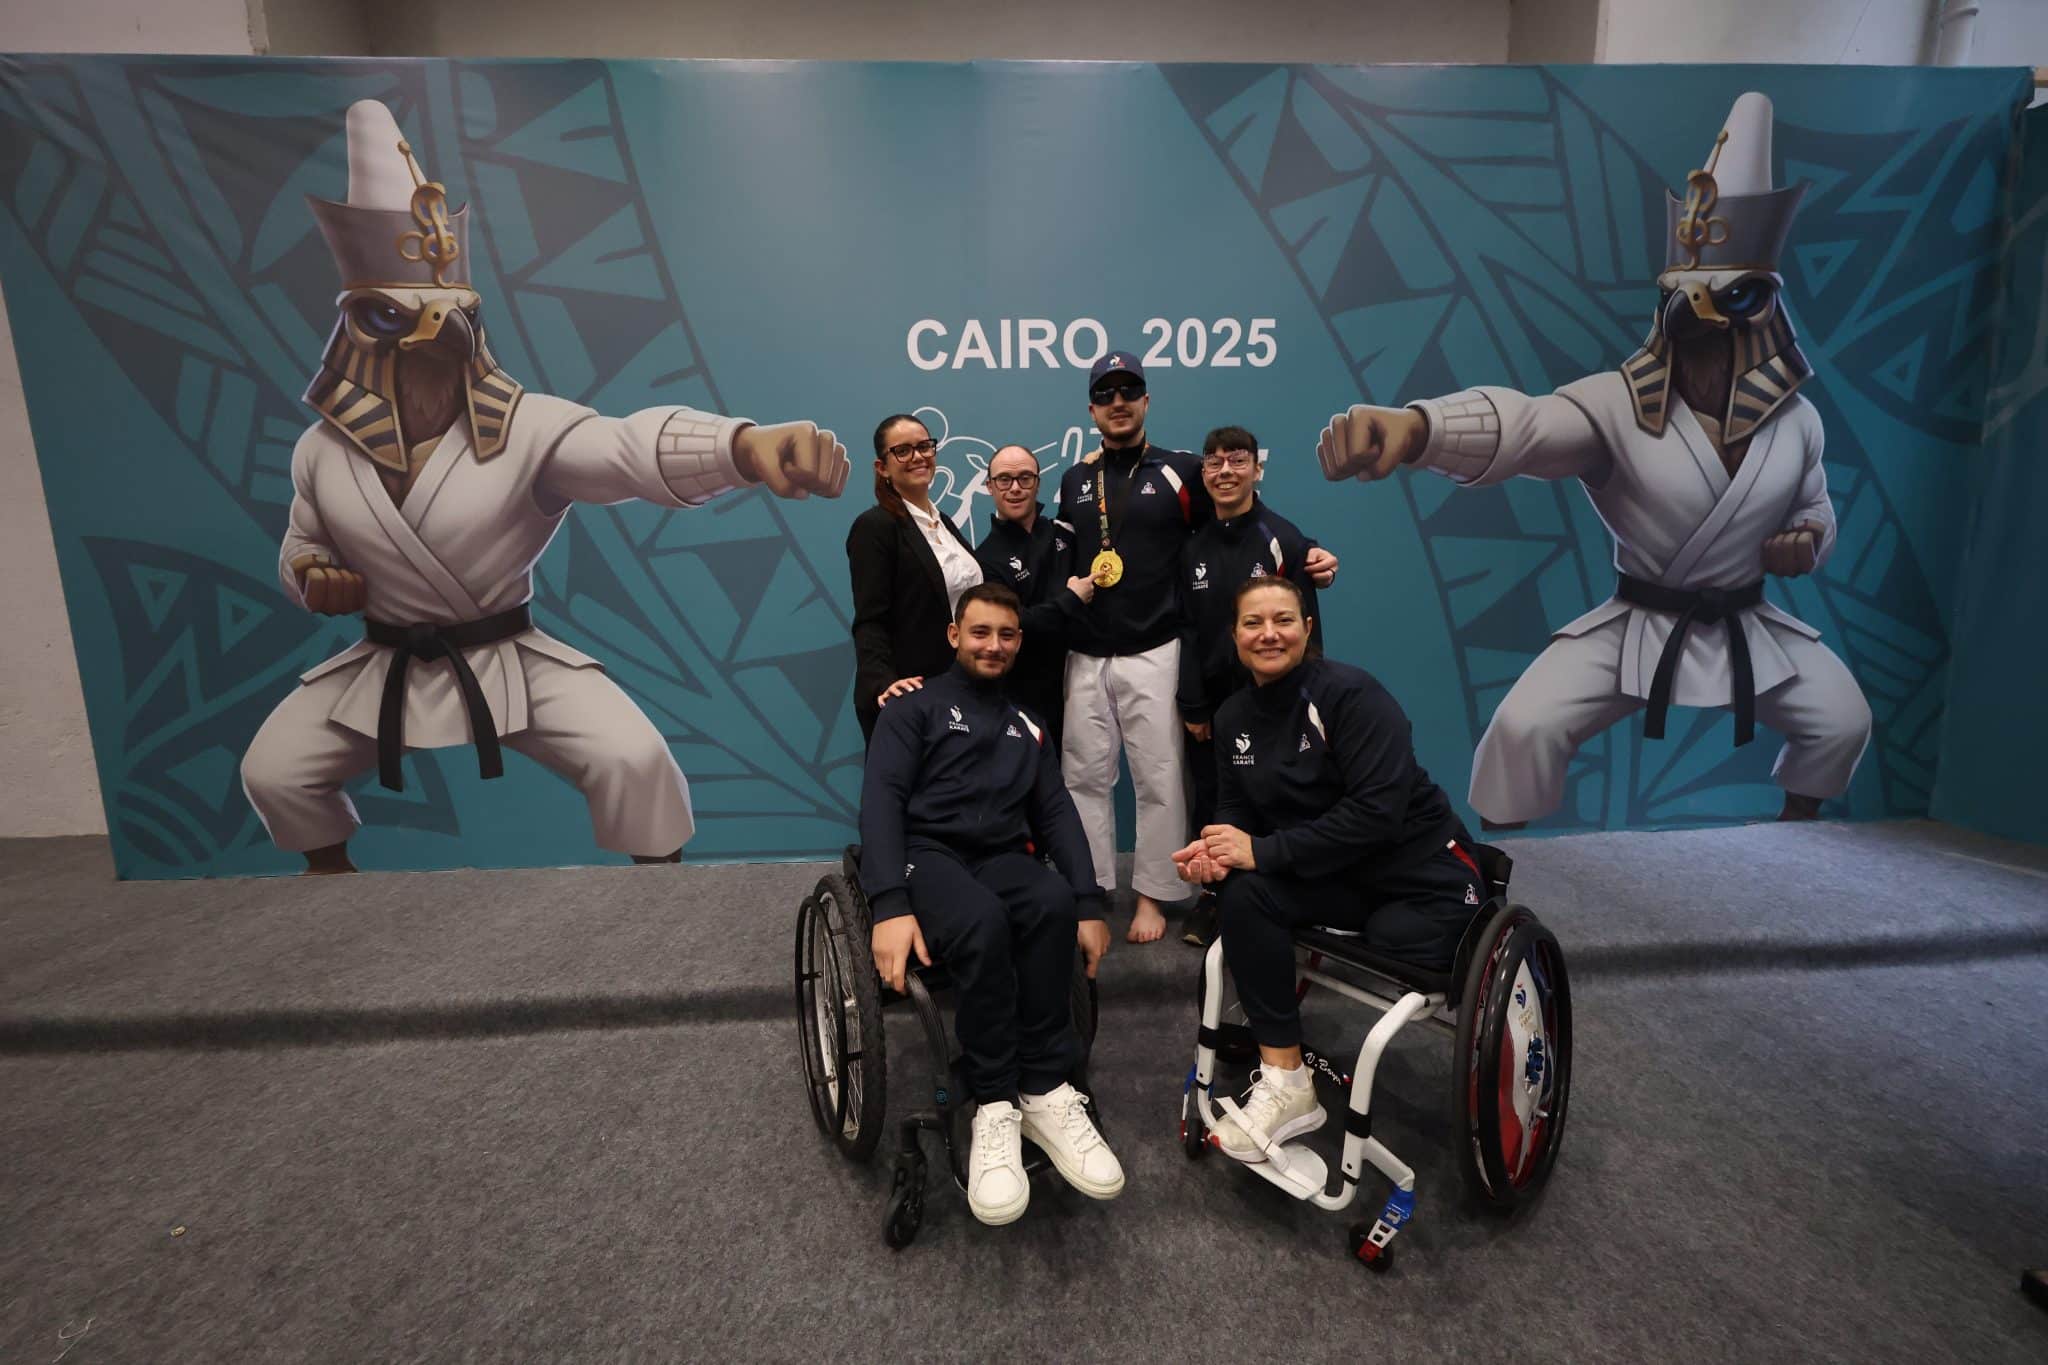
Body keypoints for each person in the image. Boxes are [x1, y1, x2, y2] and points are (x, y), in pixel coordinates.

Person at [1172, 576, 1483, 1163]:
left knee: (1396, 935)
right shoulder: (1233, 715)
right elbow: (1236, 810)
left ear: (1307, 628)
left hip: (1420, 875)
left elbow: (1377, 815)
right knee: (1242, 895)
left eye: (1283, 620)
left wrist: (1262, 852)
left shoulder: (1351, 696)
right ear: (1234, 635)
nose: (1269, 634)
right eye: (1253, 623)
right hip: (1336, 877)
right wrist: (1216, 851)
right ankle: (1288, 1082)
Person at [859, 582, 1122, 1226]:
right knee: (980, 922)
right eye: (980, 632)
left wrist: (1088, 902)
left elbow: (1056, 814)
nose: (993, 645)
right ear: (955, 636)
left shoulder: (1027, 725)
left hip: (999, 855)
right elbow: (882, 800)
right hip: (927, 855)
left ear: (1019, 642)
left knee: (1050, 901)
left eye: (1006, 635)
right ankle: (994, 1103)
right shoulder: (911, 708)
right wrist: (889, 905)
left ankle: (1044, 1088)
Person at [1176, 425, 1334, 947]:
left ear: (1257, 468)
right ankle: (1215, 897)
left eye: (1237, 460)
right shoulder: (1193, 546)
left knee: (1283, 793)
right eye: (1214, 462)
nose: (1226, 471)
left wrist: (1304, 701)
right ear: (1204, 472)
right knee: (1214, 797)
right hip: (1214, 704)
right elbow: (1188, 630)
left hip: (1277, 703)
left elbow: (1305, 630)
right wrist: (1194, 703)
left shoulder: (1284, 538)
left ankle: (1287, 892)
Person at [846, 413, 983, 743]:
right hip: (914, 697)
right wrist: (882, 682)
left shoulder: (944, 523)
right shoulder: (874, 527)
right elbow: (870, 619)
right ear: (882, 467)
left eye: (924, 446)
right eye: (903, 451)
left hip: (964, 690)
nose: (918, 456)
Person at [975, 444, 1095, 751]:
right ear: (989, 486)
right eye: (1004, 479)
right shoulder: (985, 559)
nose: (1015, 488)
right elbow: (1014, 624)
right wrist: (1071, 600)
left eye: (1025, 478)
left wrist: (1098, 462)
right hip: (1025, 696)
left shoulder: (1064, 532)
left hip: (1086, 684)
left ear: (1038, 483)